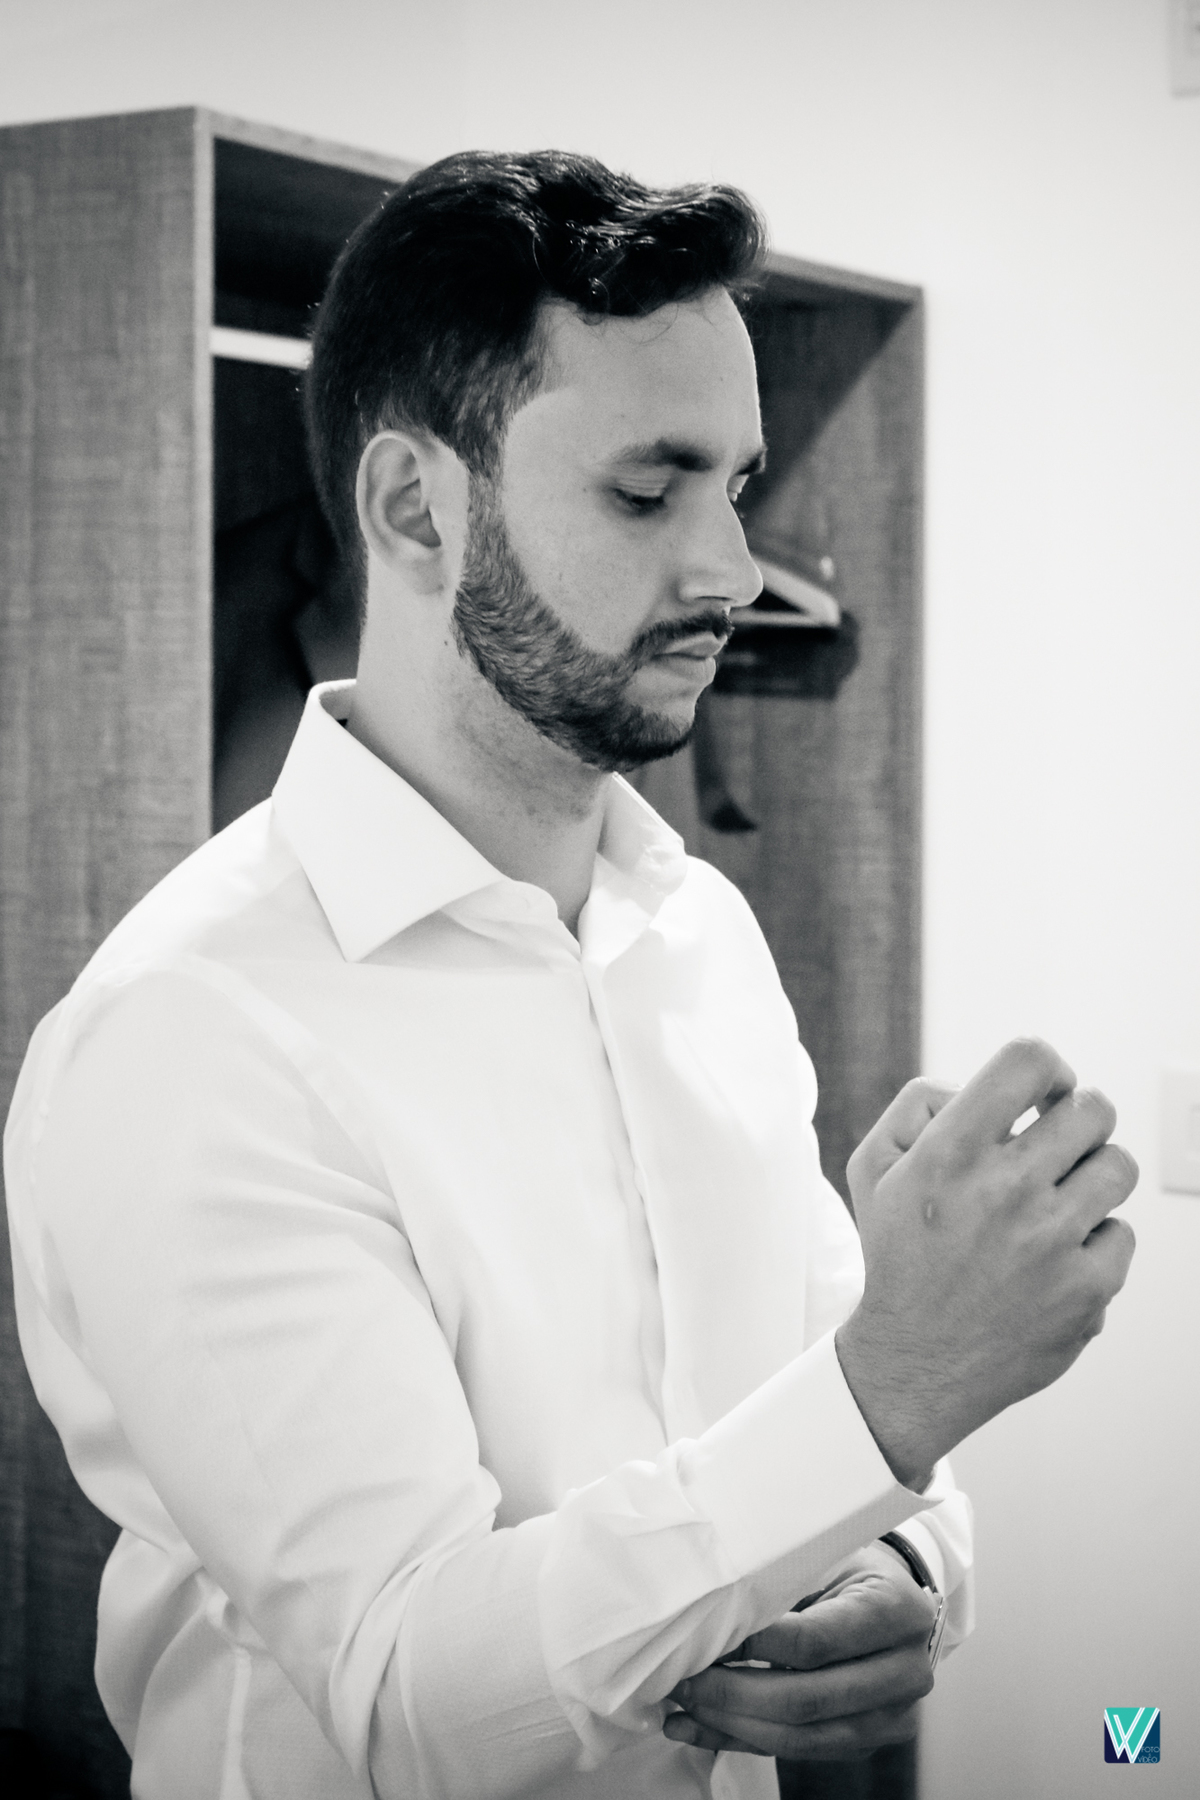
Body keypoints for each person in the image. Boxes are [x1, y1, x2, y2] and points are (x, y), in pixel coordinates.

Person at [3, 151, 1137, 1800]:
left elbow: (812, 1398)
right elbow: (408, 1698)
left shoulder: (702, 935)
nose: (732, 568)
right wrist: (897, 1393)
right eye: (647, 491)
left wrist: (907, 1562)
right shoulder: (189, 1035)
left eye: (737, 486)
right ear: (415, 509)